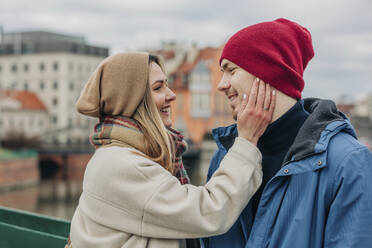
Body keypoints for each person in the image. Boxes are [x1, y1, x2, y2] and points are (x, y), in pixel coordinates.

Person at [67, 52, 276, 248]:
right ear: (132, 100)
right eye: (158, 88)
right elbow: (210, 211)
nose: (171, 95)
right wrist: (247, 142)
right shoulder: (122, 164)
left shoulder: (122, 154)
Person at [203, 18, 372, 248]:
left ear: (267, 73)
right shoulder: (225, 157)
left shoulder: (348, 162)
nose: (221, 85)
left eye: (231, 71)